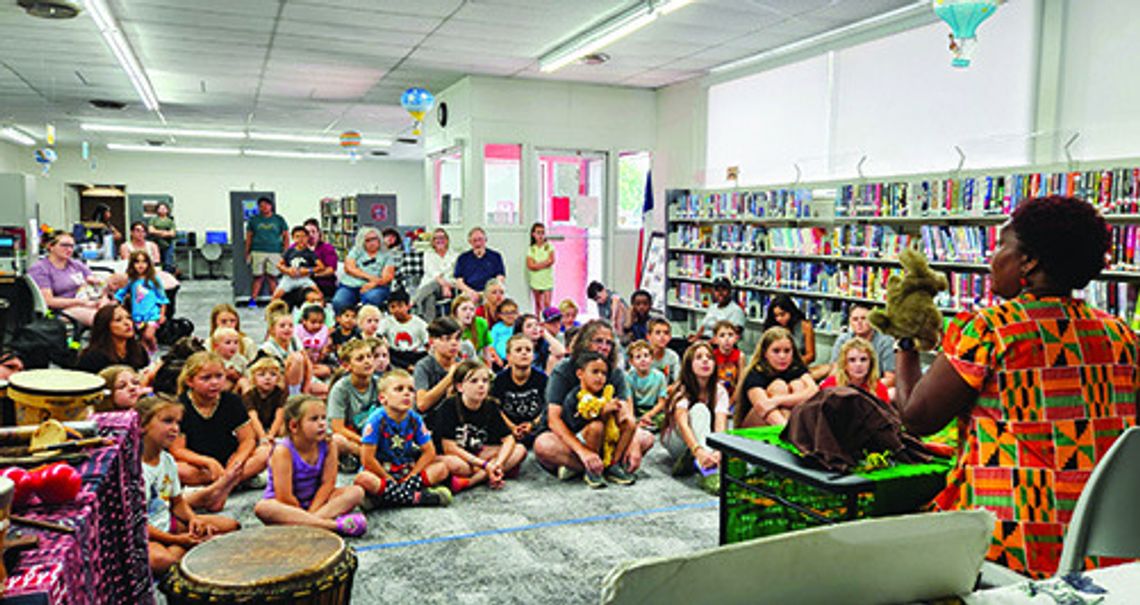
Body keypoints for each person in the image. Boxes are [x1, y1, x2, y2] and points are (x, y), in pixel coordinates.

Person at [894, 196, 1139, 579]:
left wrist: (905, 340)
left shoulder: (990, 329)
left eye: (999, 246)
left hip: (1011, 542)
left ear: (1029, 261)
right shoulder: (1122, 336)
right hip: (1102, 551)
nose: (992, 258)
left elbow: (917, 418)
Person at [535, 320, 654, 478]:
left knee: (645, 438)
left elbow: (626, 415)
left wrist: (633, 444)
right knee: (543, 445)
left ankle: (596, 466)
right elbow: (553, 420)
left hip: (606, 434)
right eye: (598, 341)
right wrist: (582, 451)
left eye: (608, 343)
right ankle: (598, 466)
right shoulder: (563, 369)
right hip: (570, 435)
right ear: (585, 342)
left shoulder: (616, 373)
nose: (604, 347)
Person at [138, 394, 238, 575]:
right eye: (168, 421)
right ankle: (193, 551)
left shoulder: (167, 459)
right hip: (148, 534)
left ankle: (190, 550)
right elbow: (138, 524)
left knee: (231, 526)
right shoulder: (134, 470)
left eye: (178, 423)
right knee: (161, 560)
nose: (175, 429)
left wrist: (194, 519)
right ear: (142, 425)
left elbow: (177, 502)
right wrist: (177, 540)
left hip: (169, 523)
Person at [253, 396, 367, 537]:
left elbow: (328, 483)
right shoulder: (283, 450)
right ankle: (334, 526)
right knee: (263, 508)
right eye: (314, 419)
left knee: (356, 492)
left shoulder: (329, 444)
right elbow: (284, 496)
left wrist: (312, 513)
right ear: (294, 426)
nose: (322, 424)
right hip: (288, 507)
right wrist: (301, 514)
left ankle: (308, 525)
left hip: (317, 503)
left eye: (323, 418)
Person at [173, 352, 271, 497]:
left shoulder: (232, 401)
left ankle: (219, 485)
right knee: (178, 469)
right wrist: (208, 462)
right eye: (206, 378)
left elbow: (248, 439)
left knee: (266, 452)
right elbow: (178, 450)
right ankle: (233, 482)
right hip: (200, 466)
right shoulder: (179, 406)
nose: (214, 382)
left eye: (219, 376)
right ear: (190, 381)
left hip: (229, 460)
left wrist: (238, 460)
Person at [353, 369, 454, 507]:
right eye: (399, 389)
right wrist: (387, 478)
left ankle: (384, 499)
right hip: (381, 470)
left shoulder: (415, 419)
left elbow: (429, 451)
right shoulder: (376, 420)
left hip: (406, 469)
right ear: (383, 398)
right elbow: (367, 459)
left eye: (411, 390)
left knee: (442, 469)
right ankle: (417, 497)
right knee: (363, 479)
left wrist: (412, 475)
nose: (407, 393)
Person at [437, 360, 527, 492]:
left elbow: (509, 439)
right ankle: (490, 473)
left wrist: (497, 464)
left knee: (520, 450)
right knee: (454, 464)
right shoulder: (449, 406)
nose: (481, 385)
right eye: (474, 381)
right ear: (460, 387)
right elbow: (449, 448)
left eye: (485, 381)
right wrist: (485, 465)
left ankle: (471, 481)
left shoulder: (490, 405)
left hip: (479, 453)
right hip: (459, 456)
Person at [557, 352, 638, 488]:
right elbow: (574, 424)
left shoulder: (607, 393)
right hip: (581, 443)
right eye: (595, 372)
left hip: (607, 442)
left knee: (630, 424)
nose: (600, 377)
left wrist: (618, 410)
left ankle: (613, 464)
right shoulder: (575, 396)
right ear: (580, 374)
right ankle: (592, 470)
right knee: (596, 426)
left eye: (604, 373)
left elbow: (619, 417)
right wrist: (600, 412)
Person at [660, 342, 729, 492]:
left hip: (700, 438)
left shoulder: (720, 391)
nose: (705, 360)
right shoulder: (681, 389)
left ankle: (694, 461)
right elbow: (682, 423)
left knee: (719, 441)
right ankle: (709, 473)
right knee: (699, 409)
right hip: (677, 439)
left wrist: (719, 450)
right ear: (689, 365)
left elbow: (721, 424)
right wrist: (698, 450)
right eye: (699, 357)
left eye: (709, 357)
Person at [733, 326, 818, 427]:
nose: (782, 356)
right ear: (765, 353)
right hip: (754, 425)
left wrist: (777, 400)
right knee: (779, 386)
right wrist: (787, 430)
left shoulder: (796, 368)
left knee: (798, 385)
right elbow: (762, 406)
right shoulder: (756, 372)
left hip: (786, 421)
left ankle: (792, 431)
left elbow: (813, 391)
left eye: (787, 351)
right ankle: (789, 432)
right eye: (776, 351)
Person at [29, 232, 115, 326]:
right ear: (50, 246)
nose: (69, 249)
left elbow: (98, 286)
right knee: (102, 320)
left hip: (89, 301)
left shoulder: (76, 264)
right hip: (62, 309)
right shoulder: (40, 268)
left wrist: (103, 300)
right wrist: (81, 303)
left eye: (72, 246)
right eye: (64, 245)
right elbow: (48, 300)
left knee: (118, 314)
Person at [327, 339, 379, 469]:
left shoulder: (379, 383)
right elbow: (337, 428)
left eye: (369, 356)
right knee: (337, 441)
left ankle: (365, 458)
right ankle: (370, 458)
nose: (367, 361)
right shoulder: (341, 389)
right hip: (352, 437)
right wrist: (366, 442)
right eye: (360, 359)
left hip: (372, 436)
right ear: (347, 366)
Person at [492, 335, 548, 448]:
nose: (524, 353)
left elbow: (547, 408)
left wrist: (532, 425)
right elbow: (496, 408)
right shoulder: (499, 380)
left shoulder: (543, 379)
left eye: (528, 350)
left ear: (533, 355)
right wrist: (512, 427)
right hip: (507, 433)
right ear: (508, 356)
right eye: (518, 350)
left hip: (536, 432)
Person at [823, 302, 896, 386]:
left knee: (892, 393)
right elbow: (835, 371)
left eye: (864, 318)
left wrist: (865, 388)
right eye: (855, 319)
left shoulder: (886, 341)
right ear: (850, 322)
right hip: (847, 385)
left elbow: (890, 378)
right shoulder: (843, 340)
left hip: (874, 386)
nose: (859, 322)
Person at [413, 317, 463, 437]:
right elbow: (422, 404)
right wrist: (450, 377)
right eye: (447, 339)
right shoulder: (423, 366)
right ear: (432, 342)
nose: (454, 343)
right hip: (429, 425)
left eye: (457, 338)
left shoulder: (463, 365)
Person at [260, 301, 318, 396]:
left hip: (300, 381)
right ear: (272, 330)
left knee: (326, 391)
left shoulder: (294, 340)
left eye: (290, 326)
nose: (287, 329)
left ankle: (299, 393)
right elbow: (274, 374)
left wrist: (306, 389)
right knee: (296, 358)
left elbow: (308, 365)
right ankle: (294, 396)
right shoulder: (267, 348)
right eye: (282, 326)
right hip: (280, 383)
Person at [334, 227, 397, 313]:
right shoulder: (356, 251)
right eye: (367, 240)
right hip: (350, 286)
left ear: (379, 239)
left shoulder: (386, 254)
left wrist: (374, 283)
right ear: (362, 241)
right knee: (339, 301)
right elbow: (349, 268)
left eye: (374, 239)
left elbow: (388, 277)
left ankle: (364, 322)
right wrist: (369, 277)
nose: (372, 243)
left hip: (376, 287)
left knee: (372, 298)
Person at [116, 250, 169, 354]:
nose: (141, 265)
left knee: (148, 335)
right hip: (137, 315)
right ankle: (146, 357)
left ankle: (154, 349)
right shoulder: (131, 280)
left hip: (152, 314)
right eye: (137, 262)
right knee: (142, 340)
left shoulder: (154, 280)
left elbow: (163, 298)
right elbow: (120, 294)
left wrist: (162, 314)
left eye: (144, 262)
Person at [77, 304, 150, 372]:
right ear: (105, 326)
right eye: (118, 320)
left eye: (129, 318)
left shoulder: (139, 350)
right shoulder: (92, 357)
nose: (127, 323)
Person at [245, 197, 289, 304]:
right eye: (261, 205)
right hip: (257, 251)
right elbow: (249, 237)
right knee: (258, 276)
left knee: (272, 277)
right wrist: (247, 252)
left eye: (266, 205)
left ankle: (276, 301)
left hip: (275, 252)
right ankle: (253, 299)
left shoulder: (279, 219)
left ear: (271, 206)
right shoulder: (254, 220)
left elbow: (286, 236)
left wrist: (286, 252)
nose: (264, 207)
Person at [819, 337, 890, 403]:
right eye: (852, 360)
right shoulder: (830, 385)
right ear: (844, 364)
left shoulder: (880, 389)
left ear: (871, 363)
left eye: (863, 359)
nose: (858, 364)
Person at [412, 228, 458, 320]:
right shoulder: (428, 255)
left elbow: (453, 274)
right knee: (430, 298)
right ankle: (431, 327)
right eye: (436, 238)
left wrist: (445, 285)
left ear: (447, 240)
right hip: (429, 287)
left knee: (435, 283)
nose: (439, 240)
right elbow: (432, 272)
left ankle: (413, 302)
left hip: (449, 288)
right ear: (432, 241)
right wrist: (442, 283)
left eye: (442, 237)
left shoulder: (455, 255)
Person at [380, 289, 429, 370]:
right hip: (396, 354)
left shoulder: (419, 323)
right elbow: (378, 335)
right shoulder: (386, 321)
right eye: (392, 307)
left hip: (415, 355)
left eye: (400, 306)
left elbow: (427, 343)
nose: (396, 310)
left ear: (408, 306)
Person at [243, 356, 287, 445]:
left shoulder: (281, 393)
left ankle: (279, 442)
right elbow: (253, 417)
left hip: (273, 425)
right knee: (248, 429)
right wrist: (262, 436)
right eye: (261, 375)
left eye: (273, 374)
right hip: (257, 425)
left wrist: (271, 435)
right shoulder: (249, 395)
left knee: (283, 427)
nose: (268, 378)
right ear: (254, 379)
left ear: (278, 378)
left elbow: (279, 416)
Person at [761, 294, 816, 365]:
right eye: (776, 316)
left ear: (791, 312)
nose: (779, 319)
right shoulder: (772, 327)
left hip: (797, 366)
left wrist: (791, 363)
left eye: (782, 314)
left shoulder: (805, 326)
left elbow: (811, 355)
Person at [273, 227, 325, 301]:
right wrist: (287, 270)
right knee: (276, 296)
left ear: (307, 238)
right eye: (297, 236)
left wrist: (308, 270)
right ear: (293, 238)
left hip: (304, 278)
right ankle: (271, 312)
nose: (301, 239)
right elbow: (279, 265)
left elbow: (321, 267)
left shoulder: (310, 253)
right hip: (289, 278)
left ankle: (322, 310)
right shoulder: (289, 251)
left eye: (303, 236)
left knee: (320, 295)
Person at [453, 227, 506, 300]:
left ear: (485, 240)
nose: (478, 243)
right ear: (470, 242)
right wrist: (470, 292)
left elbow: (500, 277)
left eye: (480, 239)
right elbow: (458, 281)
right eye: (474, 240)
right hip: (469, 292)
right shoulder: (462, 258)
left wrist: (491, 291)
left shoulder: (496, 256)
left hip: (490, 292)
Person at [627, 340, 668, 431]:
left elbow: (662, 402)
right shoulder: (629, 377)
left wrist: (649, 414)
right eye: (638, 357)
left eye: (646, 356)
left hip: (654, 410)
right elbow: (629, 401)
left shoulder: (659, 376)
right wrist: (632, 418)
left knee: (665, 419)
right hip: (637, 410)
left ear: (652, 358)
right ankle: (641, 424)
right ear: (631, 361)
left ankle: (646, 424)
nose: (643, 359)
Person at [303, 218, 339, 301]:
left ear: (319, 234)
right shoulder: (296, 247)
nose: (311, 235)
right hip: (301, 282)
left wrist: (312, 275)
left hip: (323, 283)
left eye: (313, 232)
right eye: (307, 232)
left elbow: (331, 270)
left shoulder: (327, 248)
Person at [452, 294, 493, 365]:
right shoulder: (449, 326)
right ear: (456, 312)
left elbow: (486, 351)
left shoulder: (481, 323)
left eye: (471, 309)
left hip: (477, 363)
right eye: (464, 309)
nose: (468, 312)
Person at [526, 222, 555, 314]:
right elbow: (530, 265)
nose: (541, 235)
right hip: (536, 280)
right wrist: (544, 264)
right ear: (533, 234)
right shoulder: (531, 249)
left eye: (542, 233)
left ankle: (548, 321)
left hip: (547, 279)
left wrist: (537, 265)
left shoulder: (549, 246)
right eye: (538, 233)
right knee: (538, 304)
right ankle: (538, 321)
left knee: (547, 303)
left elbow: (551, 260)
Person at [711, 320, 745, 393]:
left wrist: (732, 401)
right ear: (715, 340)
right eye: (722, 335)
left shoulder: (740, 356)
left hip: (734, 394)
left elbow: (741, 383)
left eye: (730, 335)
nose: (727, 339)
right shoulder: (712, 356)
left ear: (736, 338)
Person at [647, 318, 681, 382]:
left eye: (666, 333)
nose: (662, 336)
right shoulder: (641, 356)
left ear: (670, 337)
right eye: (658, 333)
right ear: (648, 336)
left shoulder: (673, 357)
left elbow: (678, 381)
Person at [148, 202, 177, 273]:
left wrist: (158, 232)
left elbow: (172, 233)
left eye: (164, 208)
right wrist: (164, 233)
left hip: (168, 244)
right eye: (160, 208)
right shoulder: (153, 220)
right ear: (157, 210)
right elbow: (151, 230)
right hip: (155, 243)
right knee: (156, 261)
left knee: (168, 263)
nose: (162, 210)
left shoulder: (170, 221)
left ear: (167, 210)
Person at [489, 298, 519, 364]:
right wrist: (497, 358)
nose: (510, 315)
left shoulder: (519, 325)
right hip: (501, 360)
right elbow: (491, 346)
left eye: (513, 312)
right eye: (506, 312)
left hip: (517, 359)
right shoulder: (496, 327)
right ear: (500, 315)